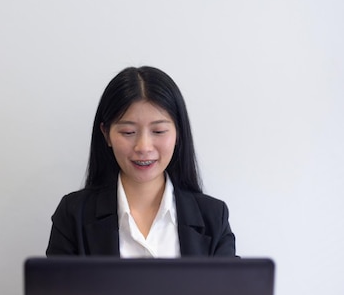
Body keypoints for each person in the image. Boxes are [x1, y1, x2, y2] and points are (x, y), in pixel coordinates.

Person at [46, 66, 236, 257]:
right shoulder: (73, 215)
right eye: (128, 132)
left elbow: (232, 286)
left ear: (178, 133)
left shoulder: (213, 217)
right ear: (106, 134)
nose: (143, 147)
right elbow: (53, 286)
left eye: (159, 131)